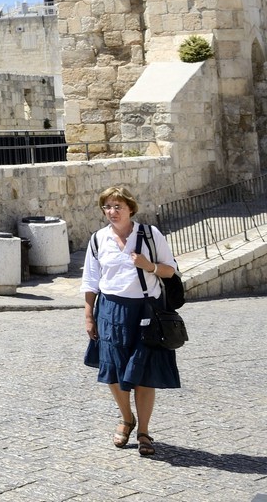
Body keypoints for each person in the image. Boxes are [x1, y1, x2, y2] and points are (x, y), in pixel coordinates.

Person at [81, 184, 180, 457]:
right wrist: (89, 315)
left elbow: (170, 271)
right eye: (107, 207)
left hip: (146, 311)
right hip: (110, 310)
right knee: (112, 370)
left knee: (144, 372)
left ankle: (144, 431)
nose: (112, 212)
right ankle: (126, 418)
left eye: (117, 207)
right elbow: (91, 281)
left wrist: (148, 266)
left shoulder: (150, 235)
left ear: (130, 209)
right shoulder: (98, 239)